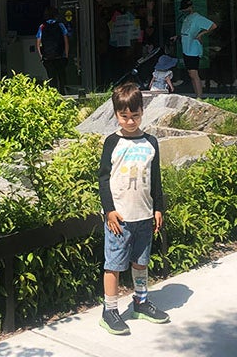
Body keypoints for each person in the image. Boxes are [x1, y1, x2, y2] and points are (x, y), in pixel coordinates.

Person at [98, 82, 169, 335]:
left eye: (135, 116)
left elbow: (156, 177)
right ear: (116, 114)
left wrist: (158, 208)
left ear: (142, 111)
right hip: (120, 218)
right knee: (114, 265)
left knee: (141, 262)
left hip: (144, 215)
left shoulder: (150, 142)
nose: (130, 121)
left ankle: (140, 301)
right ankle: (110, 310)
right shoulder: (112, 142)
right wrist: (109, 210)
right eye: (124, 116)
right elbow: (103, 178)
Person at [178, 0, 216, 99]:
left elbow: (213, 26)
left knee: (194, 73)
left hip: (193, 49)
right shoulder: (187, 18)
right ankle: (197, 95)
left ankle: (199, 97)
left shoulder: (197, 18)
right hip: (186, 48)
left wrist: (200, 34)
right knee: (191, 73)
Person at [36, 7, 70, 94]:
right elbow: (66, 41)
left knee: (52, 79)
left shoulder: (42, 26)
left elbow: (38, 43)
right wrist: (66, 55)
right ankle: (63, 94)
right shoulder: (60, 25)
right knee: (61, 77)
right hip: (60, 56)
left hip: (47, 58)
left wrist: (42, 56)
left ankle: (54, 96)